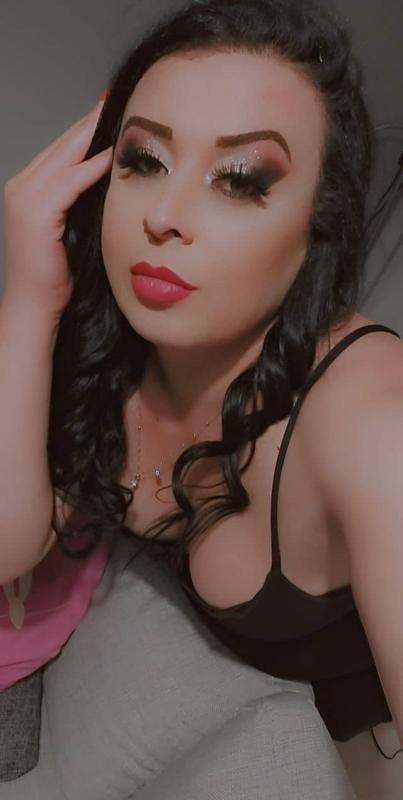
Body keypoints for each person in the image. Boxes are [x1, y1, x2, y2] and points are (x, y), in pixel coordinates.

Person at [1, 0, 403, 776]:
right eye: (145, 160)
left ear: (316, 227)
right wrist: (28, 300)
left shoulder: (371, 426)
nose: (164, 215)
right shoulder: (107, 343)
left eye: (239, 179)